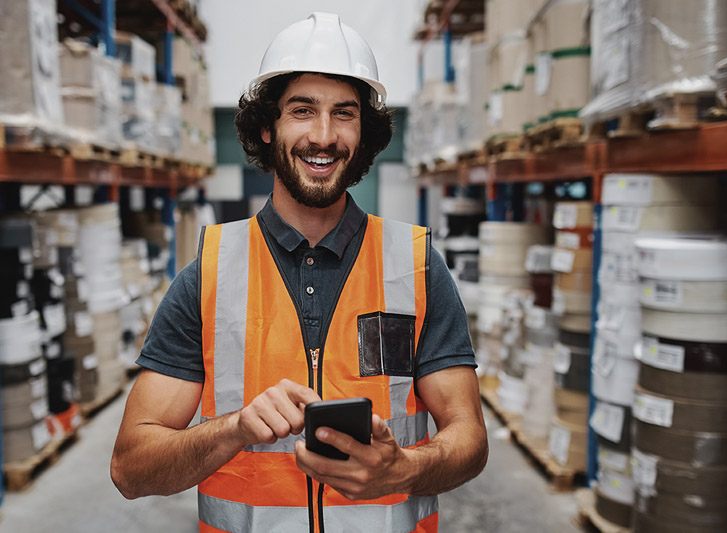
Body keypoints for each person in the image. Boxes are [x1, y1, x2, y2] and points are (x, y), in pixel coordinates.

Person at [111, 12, 488, 533]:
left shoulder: (417, 266)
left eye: (345, 114)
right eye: (302, 111)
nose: (324, 136)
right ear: (267, 126)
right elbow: (131, 469)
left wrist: (404, 468)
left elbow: (470, 439)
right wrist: (233, 429)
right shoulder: (210, 275)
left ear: (365, 131)